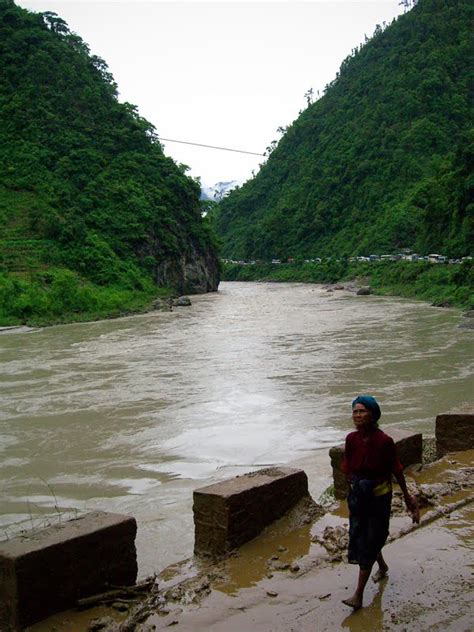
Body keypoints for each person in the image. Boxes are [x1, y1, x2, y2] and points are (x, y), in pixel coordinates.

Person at [341, 395, 419, 610]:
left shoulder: (384, 441)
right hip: (358, 496)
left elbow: (396, 469)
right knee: (363, 535)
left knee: (371, 538)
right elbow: (348, 467)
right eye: (355, 411)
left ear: (373, 415)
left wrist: (407, 496)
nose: (357, 415)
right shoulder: (351, 439)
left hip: (379, 496)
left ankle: (358, 595)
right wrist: (352, 491)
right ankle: (382, 566)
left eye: (362, 411)